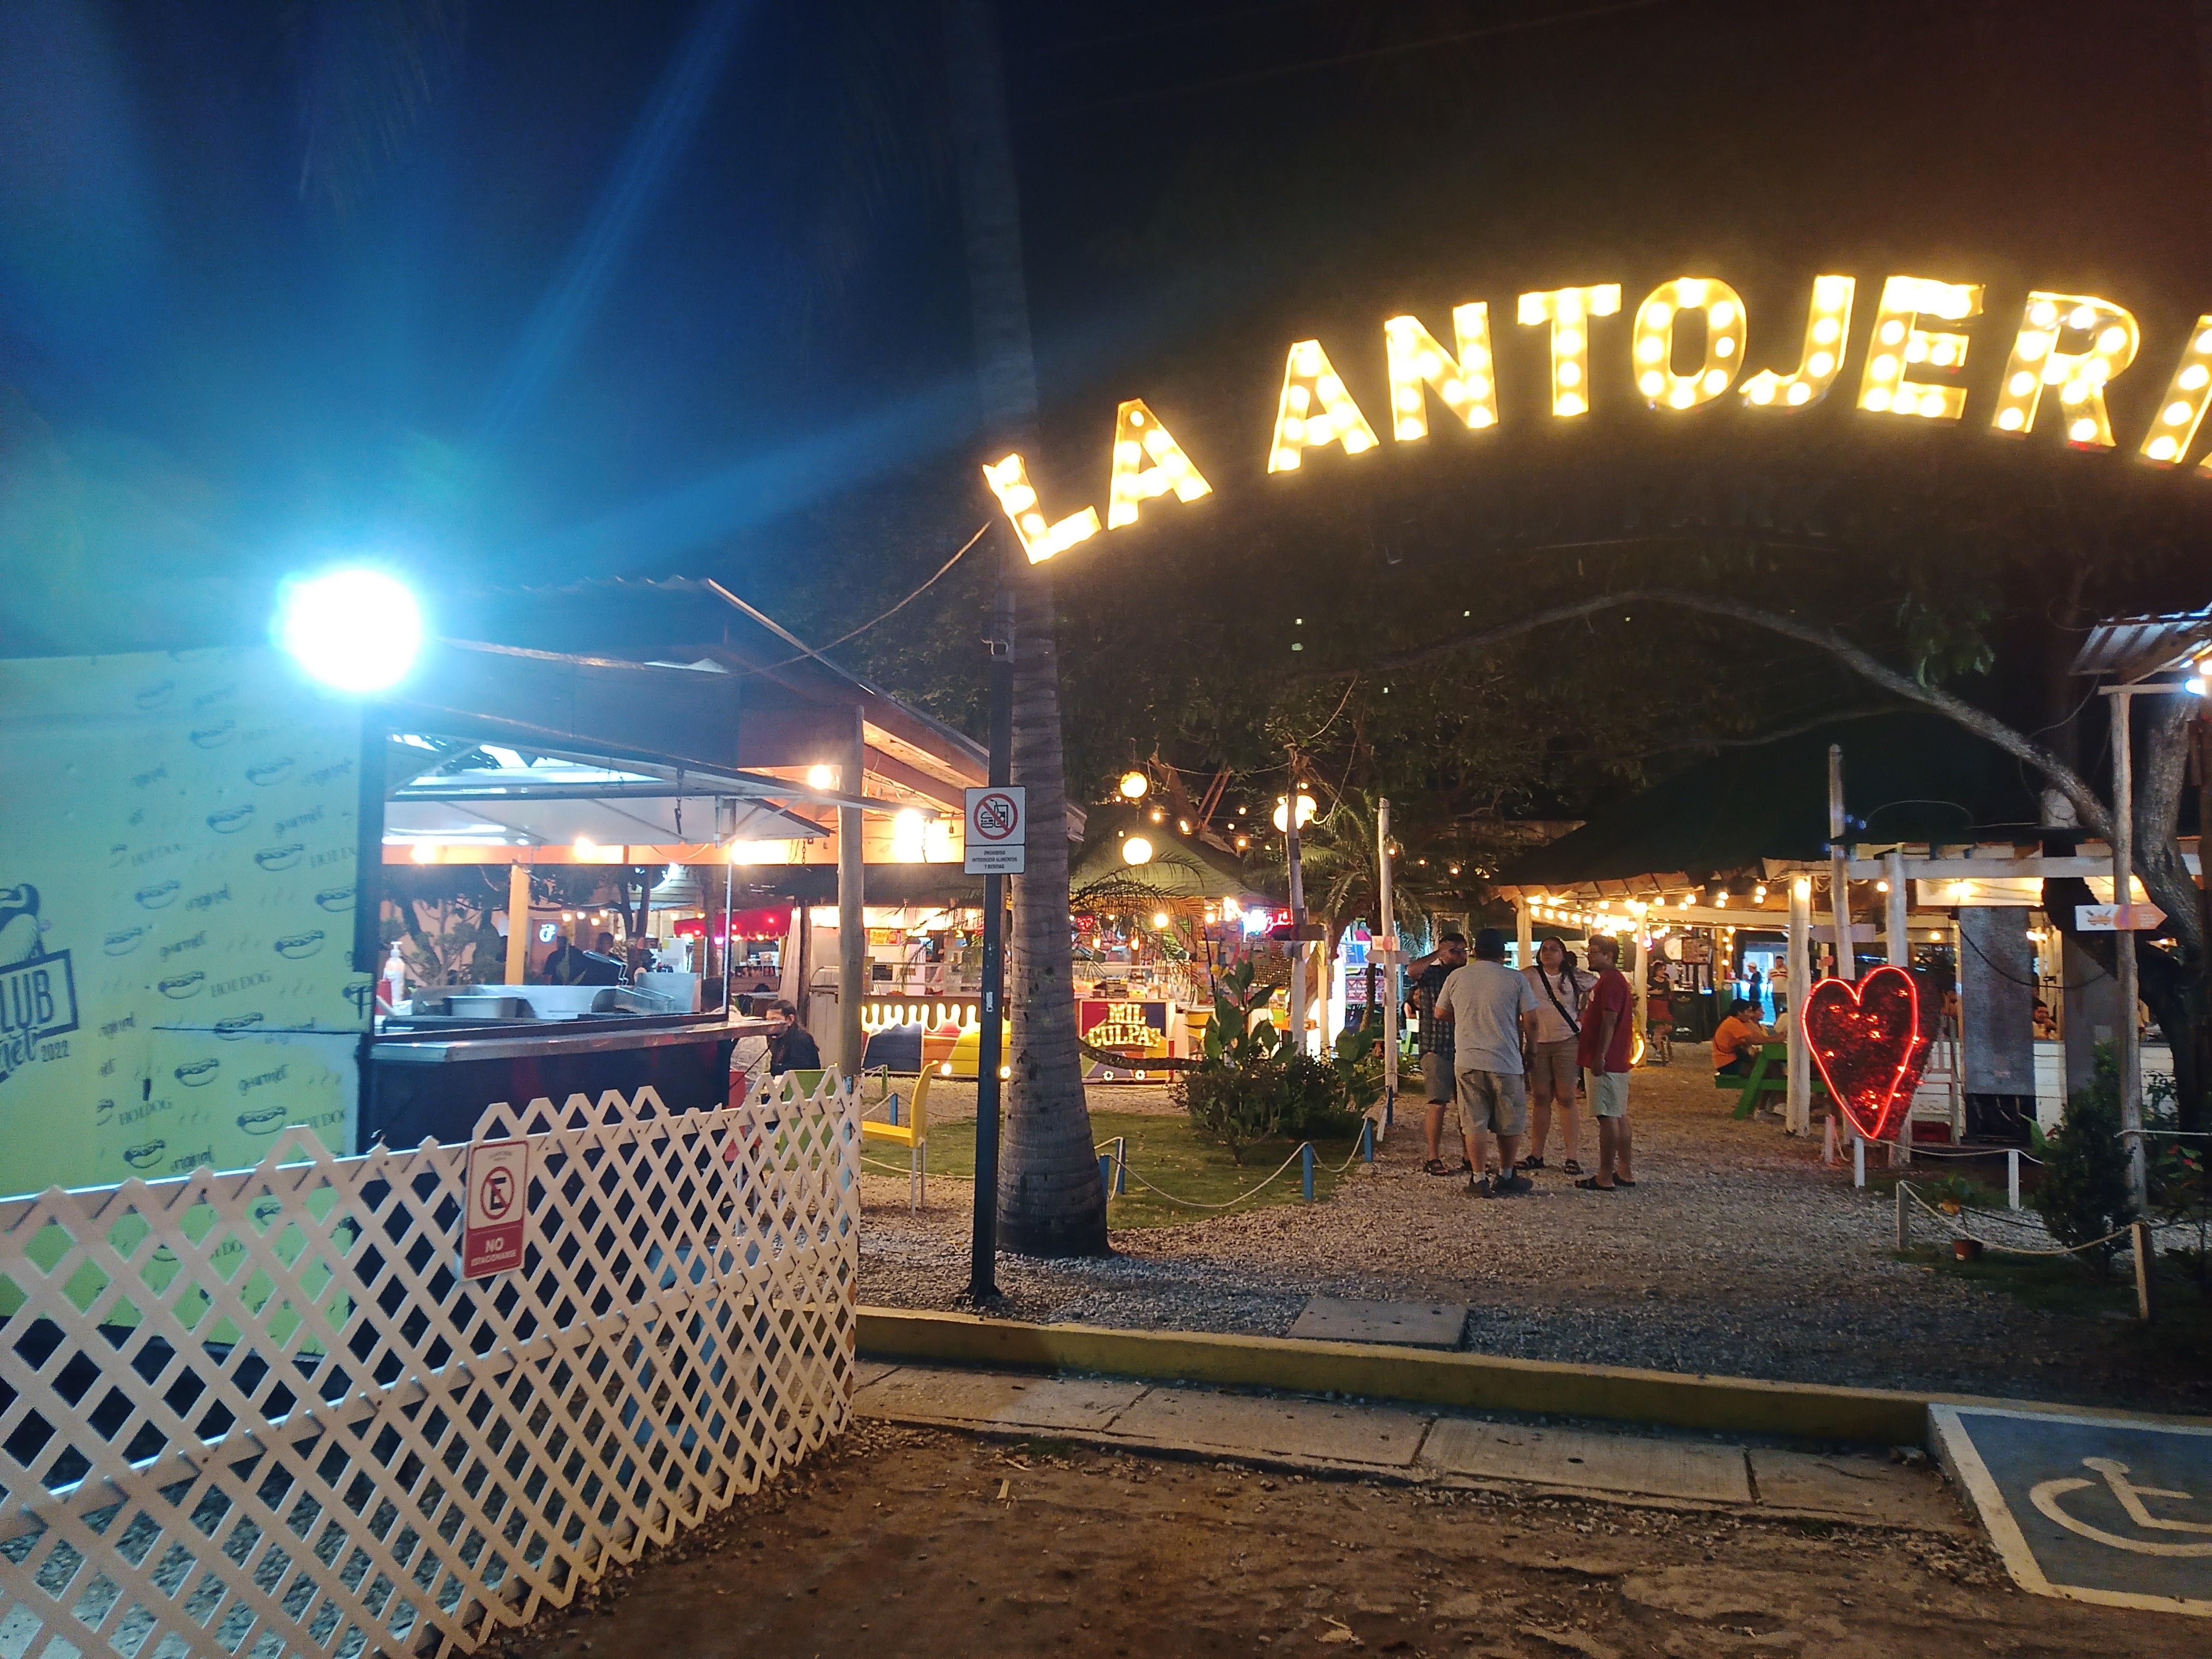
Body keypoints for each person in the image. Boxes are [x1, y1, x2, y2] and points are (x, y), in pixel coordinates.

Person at [1436, 928, 1540, 1198]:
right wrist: (1532, 1052)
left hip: (1468, 1057)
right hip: (1506, 1059)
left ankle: (1478, 1177)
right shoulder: (1515, 980)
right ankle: (1506, 1174)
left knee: (1474, 1121)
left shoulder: (1457, 977)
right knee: (1510, 1120)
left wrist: (1468, 1022)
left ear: (1474, 952)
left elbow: (1440, 1012)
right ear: (1502, 954)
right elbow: (1532, 1020)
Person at [1576, 934, 1637, 1190]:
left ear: (1609, 956)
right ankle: (1624, 1169)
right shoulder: (1614, 981)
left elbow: (1609, 1020)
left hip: (1606, 1058)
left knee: (1607, 1116)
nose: (1590, 955)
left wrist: (1600, 1055)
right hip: (1616, 1057)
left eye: (1594, 951)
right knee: (1618, 1113)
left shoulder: (1610, 982)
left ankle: (1605, 1174)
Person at [1521, 936, 1587, 1176]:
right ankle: (1536, 1153)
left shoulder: (1573, 976)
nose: (1548, 953)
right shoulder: (1529, 975)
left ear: (1563, 953)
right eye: (1544, 949)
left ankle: (1572, 1156)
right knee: (1540, 1097)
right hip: (1538, 1042)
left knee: (1566, 1097)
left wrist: (1583, 1013)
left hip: (1566, 1041)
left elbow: (1596, 985)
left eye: (1554, 949)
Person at [1408, 932, 1469, 1176]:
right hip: (1436, 1044)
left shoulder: (1469, 977)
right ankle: (1433, 1156)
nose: (1459, 955)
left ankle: (1470, 1156)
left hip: (1466, 1045)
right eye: (1453, 951)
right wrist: (1439, 954)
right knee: (1437, 1102)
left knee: (1469, 1106)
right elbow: (1412, 970)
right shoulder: (1431, 975)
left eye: (1462, 950)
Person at [1711, 998, 1770, 1077]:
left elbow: (1757, 1037)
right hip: (1728, 1064)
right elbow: (1755, 1040)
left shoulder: (1735, 1021)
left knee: (1767, 1066)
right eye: (1749, 1011)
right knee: (1764, 1071)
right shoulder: (1733, 1022)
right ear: (1740, 1012)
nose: (1751, 1015)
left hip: (1731, 1060)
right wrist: (1776, 1039)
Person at [763, 998, 821, 1075]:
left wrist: (766, 1067)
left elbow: (797, 1070)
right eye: (768, 1020)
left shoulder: (802, 1039)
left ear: (790, 1020)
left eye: (774, 1020)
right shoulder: (774, 1038)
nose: (770, 1025)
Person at [1767, 954, 1790, 1020]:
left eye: (1781, 962)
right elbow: (1769, 980)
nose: (1779, 963)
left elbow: (1791, 978)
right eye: (1778, 962)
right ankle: (1777, 1021)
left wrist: (1786, 969)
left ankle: (1785, 1021)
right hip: (1775, 992)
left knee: (1785, 1009)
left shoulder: (1786, 971)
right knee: (1776, 1009)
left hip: (1784, 992)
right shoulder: (1771, 971)